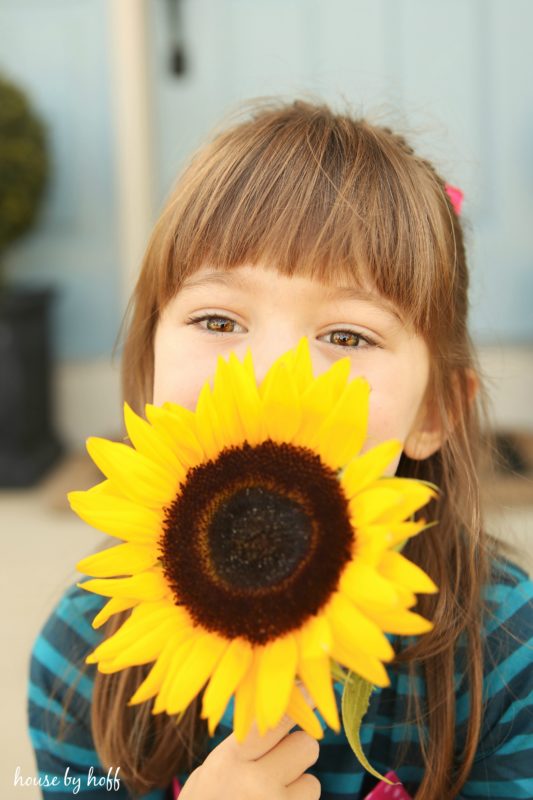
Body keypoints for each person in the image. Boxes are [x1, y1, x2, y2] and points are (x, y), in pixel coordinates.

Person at [28, 99, 533, 800]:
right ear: (146, 374)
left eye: (348, 336)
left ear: (436, 410)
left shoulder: (507, 658)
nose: (269, 377)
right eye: (217, 318)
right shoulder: (80, 665)